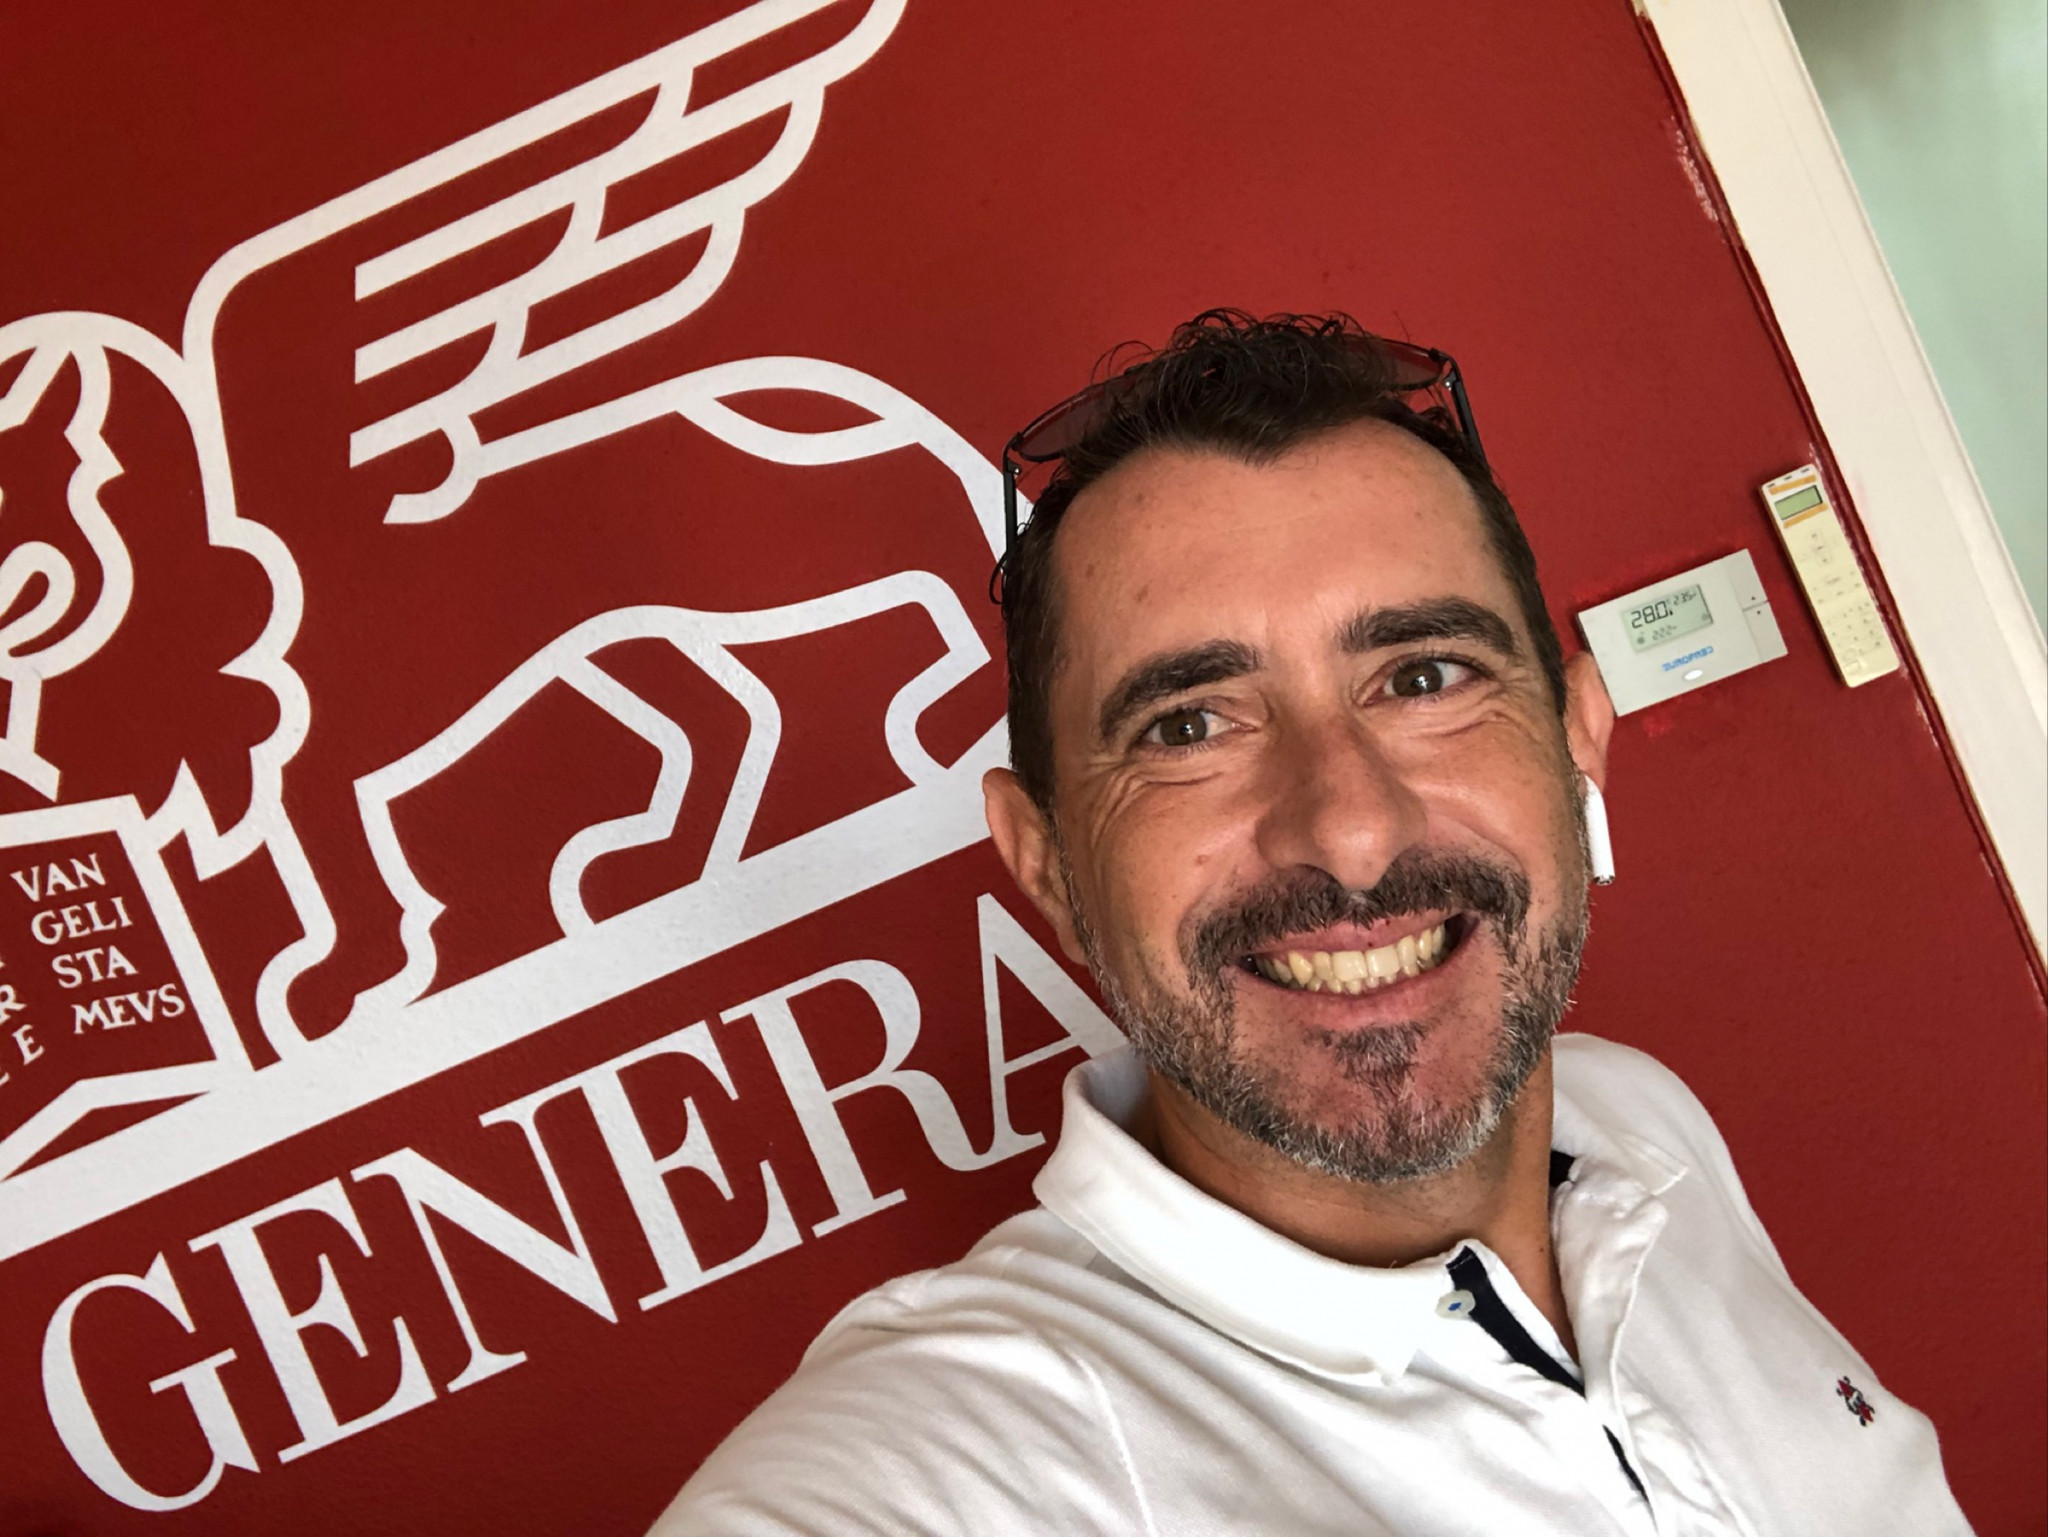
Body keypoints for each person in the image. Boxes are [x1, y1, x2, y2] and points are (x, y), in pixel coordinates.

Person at [649, 311, 1970, 1535]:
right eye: (1188, 726)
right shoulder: (946, 1467)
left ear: (1578, 739)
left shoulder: (1636, 1121)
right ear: (1047, 867)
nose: (1350, 829)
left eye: (1424, 676)